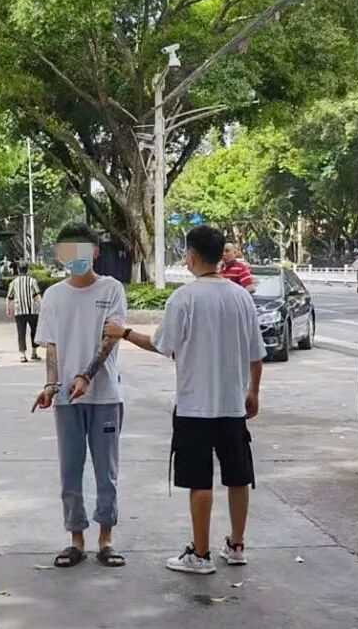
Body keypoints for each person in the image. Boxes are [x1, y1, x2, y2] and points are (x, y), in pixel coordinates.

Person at [106, 225, 264, 575]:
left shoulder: (184, 298)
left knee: (200, 481)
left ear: (191, 257)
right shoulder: (242, 297)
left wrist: (124, 333)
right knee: (238, 477)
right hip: (233, 406)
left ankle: (201, 555)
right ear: (220, 255)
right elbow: (256, 354)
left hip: (194, 407)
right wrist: (253, 391)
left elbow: (161, 345)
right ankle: (237, 546)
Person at [31, 222, 127, 570]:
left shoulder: (112, 289)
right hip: (67, 402)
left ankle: (106, 540)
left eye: (81, 250)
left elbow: (110, 339)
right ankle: (76, 540)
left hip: (105, 396)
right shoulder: (54, 295)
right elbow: (52, 346)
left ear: (95, 252)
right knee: (70, 472)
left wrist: (86, 376)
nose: (74, 257)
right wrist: (50, 385)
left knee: (106, 473)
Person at [6, 263, 42, 363]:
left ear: (18, 270)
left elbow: (9, 297)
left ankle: (22, 355)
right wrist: (42, 307)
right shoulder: (32, 281)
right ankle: (34, 352)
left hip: (19, 311)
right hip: (32, 311)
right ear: (27, 270)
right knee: (34, 331)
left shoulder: (13, 282)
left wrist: (8, 309)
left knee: (21, 332)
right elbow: (37, 296)